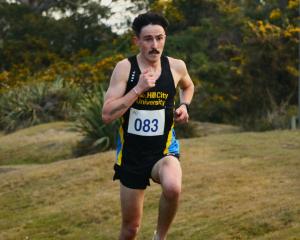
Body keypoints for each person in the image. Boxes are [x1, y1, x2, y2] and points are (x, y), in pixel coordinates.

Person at [102, 11, 194, 240]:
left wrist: (184, 105)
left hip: (163, 151)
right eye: (148, 39)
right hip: (132, 156)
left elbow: (188, 86)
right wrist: (138, 89)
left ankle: (159, 238)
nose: (155, 45)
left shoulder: (176, 67)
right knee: (130, 229)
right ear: (137, 41)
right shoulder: (125, 69)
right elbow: (107, 114)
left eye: (160, 38)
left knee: (173, 187)